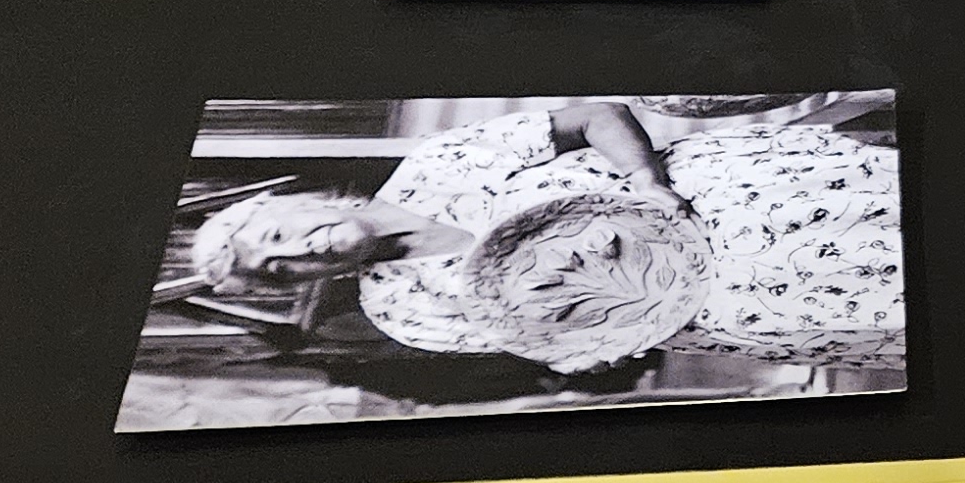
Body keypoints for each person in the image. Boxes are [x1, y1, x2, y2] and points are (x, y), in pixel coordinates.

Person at [187, 96, 903, 375]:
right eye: (274, 270)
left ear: (297, 200)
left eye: (275, 233)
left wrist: (645, 179)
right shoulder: (399, 311)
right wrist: (587, 351)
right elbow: (553, 340)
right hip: (728, 302)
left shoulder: (438, 163)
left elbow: (596, 116)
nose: (295, 251)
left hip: (731, 196)